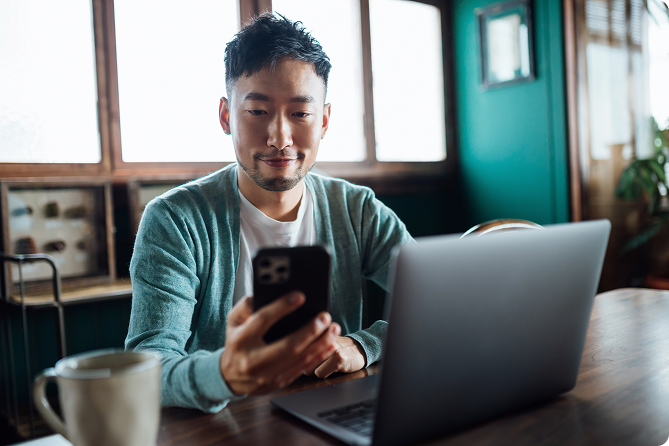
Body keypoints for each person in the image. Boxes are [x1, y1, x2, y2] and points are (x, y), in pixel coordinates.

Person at [125, 13, 413, 412]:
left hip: (334, 413)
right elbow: (148, 367)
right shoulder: (174, 220)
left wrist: (364, 345)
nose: (280, 137)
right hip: (221, 428)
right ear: (226, 116)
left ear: (324, 120)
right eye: (258, 112)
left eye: (300, 113)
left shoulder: (356, 209)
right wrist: (225, 374)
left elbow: (440, 305)